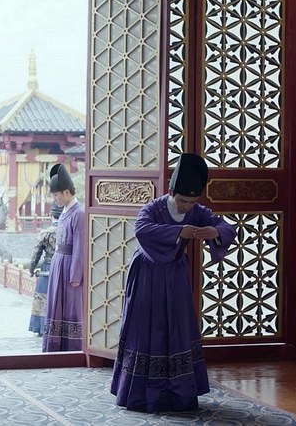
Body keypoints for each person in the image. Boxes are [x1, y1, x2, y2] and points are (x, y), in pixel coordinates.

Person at [110, 153, 237, 412]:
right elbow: (141, 230)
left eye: (192, 202)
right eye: (182, 200)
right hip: (147, 275)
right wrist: (179, 231)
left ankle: (179, 393)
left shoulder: (197, 212)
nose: (186, 206)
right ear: (170, 192)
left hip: (176, 277)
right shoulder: (153, 208)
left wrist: (214, 231)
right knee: (147, 328)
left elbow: (227, 227)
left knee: (177, 328)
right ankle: (140, 394)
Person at [42, 163, 85, 352]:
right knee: (55, 306)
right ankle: (54, 346)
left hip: (69, 267)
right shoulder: (65, 211)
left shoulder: (79, 213)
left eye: (56, 195)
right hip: (58, 264)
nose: (55, 199)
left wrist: (76, 275)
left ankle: (71, 348)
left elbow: (80, 246)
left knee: (70, 308)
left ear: (67, 192)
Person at [27, 202, 63, 336]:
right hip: (63, 267)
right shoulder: (67, 231)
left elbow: (36, 254)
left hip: (47, 268)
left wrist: (31, 269)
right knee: (60, 298)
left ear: (51, 215)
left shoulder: (45, 233)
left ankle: (41, 328)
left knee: (42, 298)